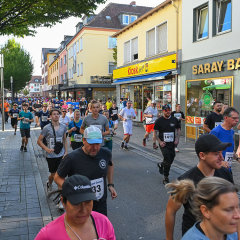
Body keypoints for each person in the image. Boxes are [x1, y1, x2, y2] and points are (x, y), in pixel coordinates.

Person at [165, 134, 233, 240]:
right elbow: (171, 211)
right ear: (202, 155)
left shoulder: (225, 173)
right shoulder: (185, 181)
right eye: (216, 154)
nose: (222, 157)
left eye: (221, 153)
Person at [54, 126, 117, 216]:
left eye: (98, 144)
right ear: (84, 140)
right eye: (91, 144)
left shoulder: (105, 153)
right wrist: (73, 190)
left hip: (100, 202)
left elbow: (110, 164)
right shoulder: (71, 158)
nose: (95, 148)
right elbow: (57, 178)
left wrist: (110, 184)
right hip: (80, 205)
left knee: (99, 227)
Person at [35, 174, 116, 240]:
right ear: (63, 202)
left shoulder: (103, 222)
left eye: (88, 202)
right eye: (77, 204)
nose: (84, 210)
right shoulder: (48, 234)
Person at [166, 177, 239, 240]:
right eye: (228, 209)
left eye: (237, 207)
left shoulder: (230, 231)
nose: (238, 215)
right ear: (206, 211)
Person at [37, 109, 68, 195]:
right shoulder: (46, 128)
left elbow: (65, 140)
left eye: (58, 114)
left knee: (60, 176)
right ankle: (49, 183)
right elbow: (39, 141)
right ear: (50, 116)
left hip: (61, 154)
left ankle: (60, 200)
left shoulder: (63, 127)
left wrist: (66, 152)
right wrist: (46, 149)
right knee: (53, 175)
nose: (56, 116)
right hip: (50, 156)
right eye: (54, 114)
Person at [154, 105, 181, 184]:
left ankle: (162, 165)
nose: (168, 111)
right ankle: (166, 177)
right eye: (166, 110)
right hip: (163, 143)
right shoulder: (159, 121)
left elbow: (178, 129)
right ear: (163, 111)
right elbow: (155, 132)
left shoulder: (174, 119)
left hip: (172, 143)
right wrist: (159, 142)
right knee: (167, 157)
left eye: (169, 110)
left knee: (171, 158)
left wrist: (177, 138)